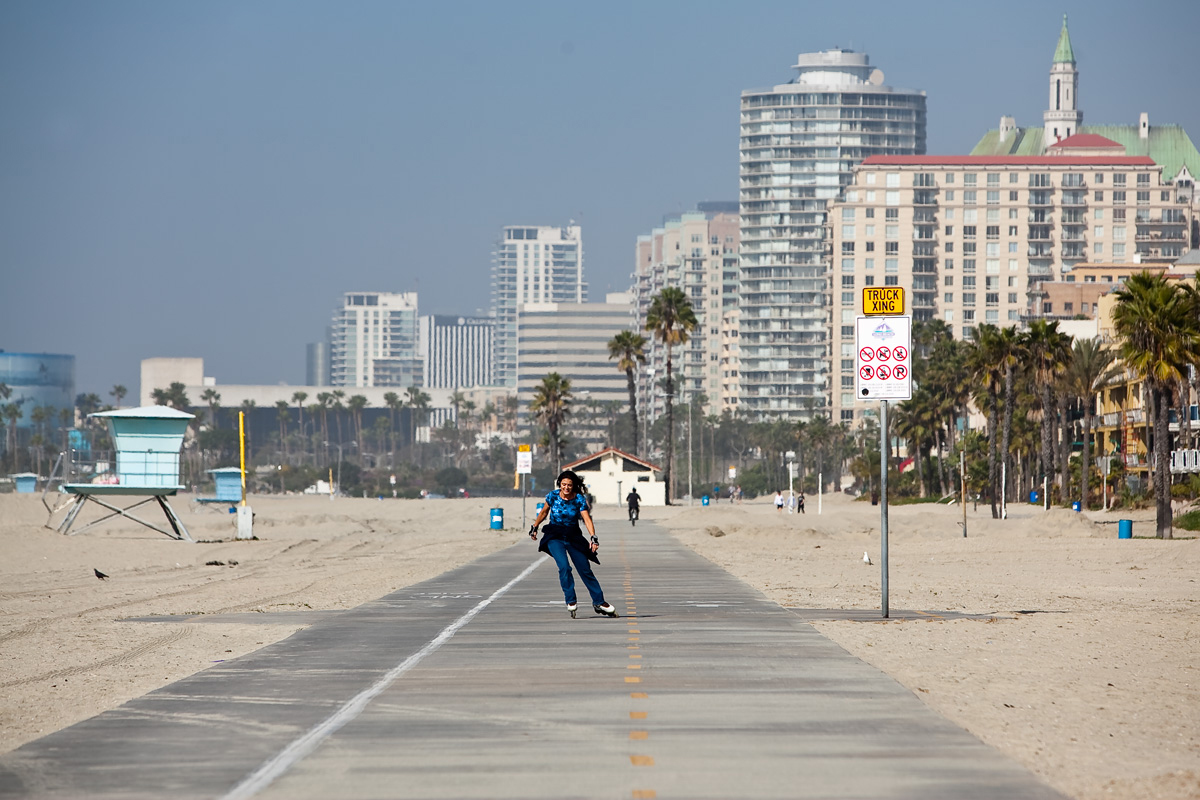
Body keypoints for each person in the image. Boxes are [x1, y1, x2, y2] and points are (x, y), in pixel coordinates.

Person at [529, 470, 619, 619]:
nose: (566, 488)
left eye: (569, 485)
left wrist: (593, 537)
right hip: (554, 536)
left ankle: (599, 601)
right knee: (564, 567)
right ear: (560, 484)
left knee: (585, 570)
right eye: (564, 484)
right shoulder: (552, 496)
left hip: (573, 537)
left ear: (574, 486)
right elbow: (544, 512)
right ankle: (570, 599)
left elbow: (586, 519)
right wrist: (535, 526)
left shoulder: (578, 499)